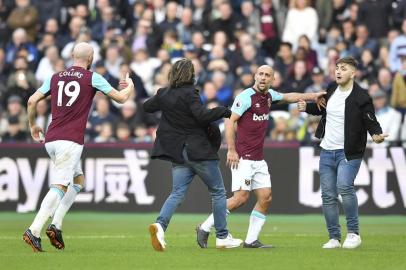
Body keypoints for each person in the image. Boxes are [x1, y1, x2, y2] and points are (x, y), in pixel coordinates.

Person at [197, 65, 326, 248]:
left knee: (266, 197)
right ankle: (204, 227)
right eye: (261, 74)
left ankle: (251, 240)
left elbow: (289, 97)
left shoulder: (269, 96)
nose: (263, 78)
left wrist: (312, 96)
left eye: (267, 75)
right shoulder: (245, 97)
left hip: (258, 158)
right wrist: (232, 150)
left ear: (272, 80)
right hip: (243, 157)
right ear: (255, 76)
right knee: (240, 198)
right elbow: (229, 121)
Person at [22, 42, 134, 252]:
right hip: (70, 140)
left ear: (73, 55)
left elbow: (31, 101)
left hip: (52, 138)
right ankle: (34, 229)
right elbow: (120, 98)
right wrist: (130, 86)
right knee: (60, 186)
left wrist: (32, 125)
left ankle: (56, 225)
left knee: (78, 180)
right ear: (90, 58)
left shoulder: (55, 77)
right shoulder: (93, 77)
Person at [143, 58, 242, 252]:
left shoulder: (164, 93)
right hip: (198, 151)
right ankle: (222, 237)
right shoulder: (190, 93)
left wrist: (164, 100)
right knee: (218, 193)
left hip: (178, 154)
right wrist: (224, 111)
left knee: (177, 193)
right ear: (191, 74)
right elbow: (202, 116)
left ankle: (160, 226)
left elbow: (147, 106)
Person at [297, 57, 387, 249]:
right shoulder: (331, 89)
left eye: (343, 69)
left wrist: (376, 134)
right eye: (337, 68)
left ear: (353, 73)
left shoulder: (361, 96)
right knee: (328, 195)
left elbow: (370, 119)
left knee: (345, 187)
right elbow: (323, 109)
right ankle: (334, 238)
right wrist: (307, 107)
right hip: (327, 151)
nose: (338, 71)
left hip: (349, 152)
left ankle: (353, 234)